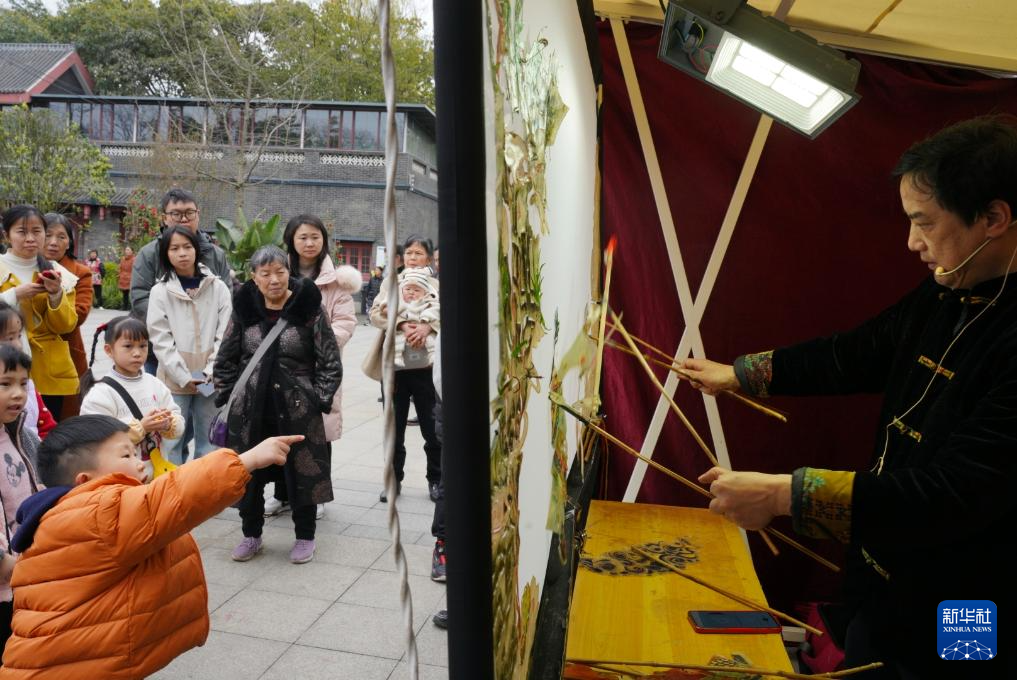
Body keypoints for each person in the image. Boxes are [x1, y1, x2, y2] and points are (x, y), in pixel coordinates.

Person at [681, 116, 1017, 680]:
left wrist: (786, 494)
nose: (912, 242)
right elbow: (859, 352)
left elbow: (954, 494)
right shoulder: (950, 288)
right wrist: (740, 374)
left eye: (924, 223)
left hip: (968, 603)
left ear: (994, 218)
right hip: (884, 585)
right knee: (867, 653)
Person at [0, 415, 302, 678]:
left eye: (136, 452)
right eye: (126, 456)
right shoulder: (99, 512)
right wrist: (246, 460)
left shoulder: (65, 514)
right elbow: (173, 496)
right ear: (84, 479)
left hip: (68, 660)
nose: (138, 462)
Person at [214, 246, 341, 564]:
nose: (274, 279)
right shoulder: (245, 307)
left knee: (302, 474)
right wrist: (229, 396)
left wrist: (318, 398)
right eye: (266, 273)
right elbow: (226, 358)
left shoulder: (308, 307)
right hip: (250, 411)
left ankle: (305, 537)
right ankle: (251, 535)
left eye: (280, 272)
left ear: (289, 272)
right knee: (248, 476)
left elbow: (329, 360)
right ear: (254, 277)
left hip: (298, 411)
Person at [264, 215, 359, 520]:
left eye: (315, 237)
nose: (309, 243)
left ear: (324, 241)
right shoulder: (278, 274)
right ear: (291, 240)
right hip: (282, 368)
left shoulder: (337, 282)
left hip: (319, 368)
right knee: (281, 430)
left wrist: (316, 344)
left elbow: (346, 322)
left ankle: (315, 495)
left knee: (318, 434)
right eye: (303, 237)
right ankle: (282, 494)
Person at [147, 227, 232, 465]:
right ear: (166, 254)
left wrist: (210, 371)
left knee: (210, 440)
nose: (182, 253)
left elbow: (226, 333)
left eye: (187, 247)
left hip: (210, 379)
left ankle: (205, 485)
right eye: (174, 248)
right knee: (171, 440)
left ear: (197, 249)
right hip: (174, 379)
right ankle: (173, 486)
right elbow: (160, 339)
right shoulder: (160, 292)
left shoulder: (218, 288)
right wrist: (183, 376)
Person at [370, 258, 442, 503]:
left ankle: (436, 479)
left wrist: (427, 327)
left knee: (432, 429)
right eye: (409, 252)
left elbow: (448, 314)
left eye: (418, 253)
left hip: (427, 370)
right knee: (394, 429)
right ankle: (393, 480)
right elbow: (375, 314)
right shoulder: (390, 284)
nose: (413, 257)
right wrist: (401, 324)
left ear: (427, 257)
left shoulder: (437, 286)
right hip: (395, 371)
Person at [79, 317, 184, 478]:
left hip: (157, 476)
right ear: (109, 350)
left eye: (143, 346)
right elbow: (97, 441)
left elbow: (177, 418)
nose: (137, 353)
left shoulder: (155, 384)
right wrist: (141, 428)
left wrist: (169, 423)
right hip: (122, 480)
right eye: (128, 346)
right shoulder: (101, 394)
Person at [0, 205, 79, 419]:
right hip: (4, 367)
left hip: (48, 371)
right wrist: (14, 295)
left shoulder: (58, 273)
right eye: (22, 231)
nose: (30, 238)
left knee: (46, 431)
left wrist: (56, 295)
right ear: (7, 235)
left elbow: (66, 325)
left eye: (36, 231)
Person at [129, 188, 231, 332]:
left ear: (198, 215)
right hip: (162, 336)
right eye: (176, 214)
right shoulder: (149, 254)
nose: (184, 219)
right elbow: (140, 298)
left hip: (207, 335)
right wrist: (174, 326)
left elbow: (226, 297)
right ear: (165, 218)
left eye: (189, 213)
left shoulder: (216, 255)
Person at [0, 345, 42, 653]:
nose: (18, 394)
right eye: (5, 384)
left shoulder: (23, 436)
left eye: (23, 384)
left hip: (25, 574)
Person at [43, 213, 94, 419]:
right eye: (47, 235)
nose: (53, 242)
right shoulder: (22, 267)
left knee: (62, 419)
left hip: (66, 353)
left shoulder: (80, 272)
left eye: (61, 237)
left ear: (69, 243)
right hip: (30, 354)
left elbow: (79, 314)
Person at [0, 304, 55, 440]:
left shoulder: (27, 386)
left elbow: (47, 428)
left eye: (19, 336)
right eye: (9, 338)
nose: (19, 345)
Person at [118, 246, 135, 310]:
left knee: (132, 293)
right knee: (125, 293)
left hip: (131, 278)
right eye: (126, 250)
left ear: (132, 251)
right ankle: (125, 306)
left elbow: (135, 269)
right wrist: (119, 275)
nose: (126, 251)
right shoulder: (123, 259)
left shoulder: (134, 259)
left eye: (128, 250)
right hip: (123, 278)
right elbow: (120, 268)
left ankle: (132, 307)